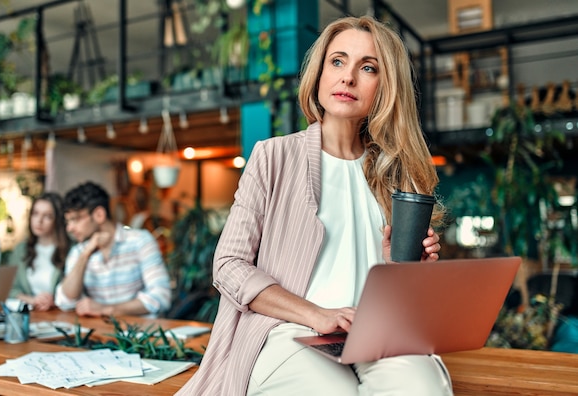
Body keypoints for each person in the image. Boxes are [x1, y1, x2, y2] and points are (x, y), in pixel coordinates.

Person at [178, 15, 451, 396]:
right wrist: (317, 315)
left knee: (424, 390)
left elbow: (407, 297)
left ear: (386, 86)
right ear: (319, 73)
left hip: (375, 331)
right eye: (337, 61)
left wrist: (403, 268)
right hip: (289, 331)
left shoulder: (396, 173)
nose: (348, 77)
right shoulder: (273, 156)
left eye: (367, 67)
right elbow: (228, 267)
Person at [54, 181, 171, 317]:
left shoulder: (140, 241)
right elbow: (65, 302)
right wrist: (86, 255)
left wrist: (105, 309)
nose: (69, 228)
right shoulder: (80, 251)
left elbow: (162, 297)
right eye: (68, 222)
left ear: (99, 214)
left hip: (138, 335)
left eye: (75, 219)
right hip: (96, 335)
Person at [5, 192, 71, 311]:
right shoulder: (21, 249)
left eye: (47, 216)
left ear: (58, 220)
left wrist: (54, 301)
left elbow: (75, 291)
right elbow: (9, 289)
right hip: (32, 314)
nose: (39, 220)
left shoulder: (70, 249)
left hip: (61, 314)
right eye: (35, 214)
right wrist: (33, 300)